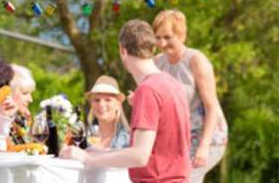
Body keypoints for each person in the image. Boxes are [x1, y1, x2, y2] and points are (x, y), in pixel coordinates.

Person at [60, 20, 191, 182]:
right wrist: (94, 152)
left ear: (123, 50)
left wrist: (89, 160)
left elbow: (139, 155)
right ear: (153, 48)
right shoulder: (174, 85)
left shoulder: (147, 89)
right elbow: (159, 150)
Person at [152, 10, 228, 182]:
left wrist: (204, 146)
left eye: (167, 37)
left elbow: (211, 107)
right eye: (157, 37)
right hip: (181, 139)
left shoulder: (196, 61)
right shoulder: (157, 62)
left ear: (181, 35)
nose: (162, 43)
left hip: (208, 136)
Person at [85, 75, 130, 150]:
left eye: (108, 100)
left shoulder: (129, 138)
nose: (101, 104)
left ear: (118, 104)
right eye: (97, 100)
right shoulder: (83, 135)